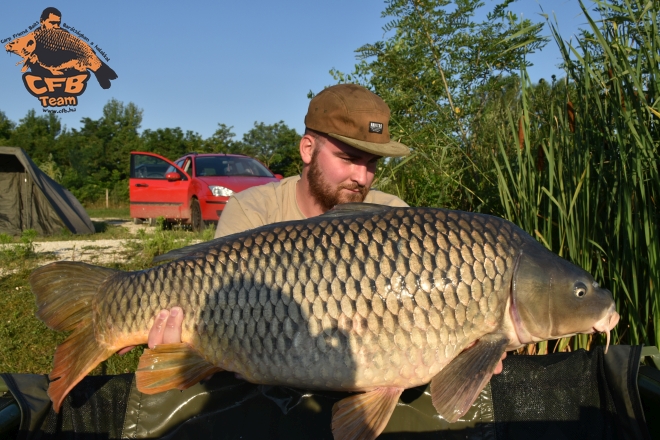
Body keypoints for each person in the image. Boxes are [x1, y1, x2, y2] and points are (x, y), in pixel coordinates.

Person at [128, 84, 506, 373]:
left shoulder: (395, 217)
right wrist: (183, 350)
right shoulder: (253, 211)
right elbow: (217, 307)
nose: (362, 177)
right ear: (308, 149)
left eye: (372, 162)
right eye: (348, 158)